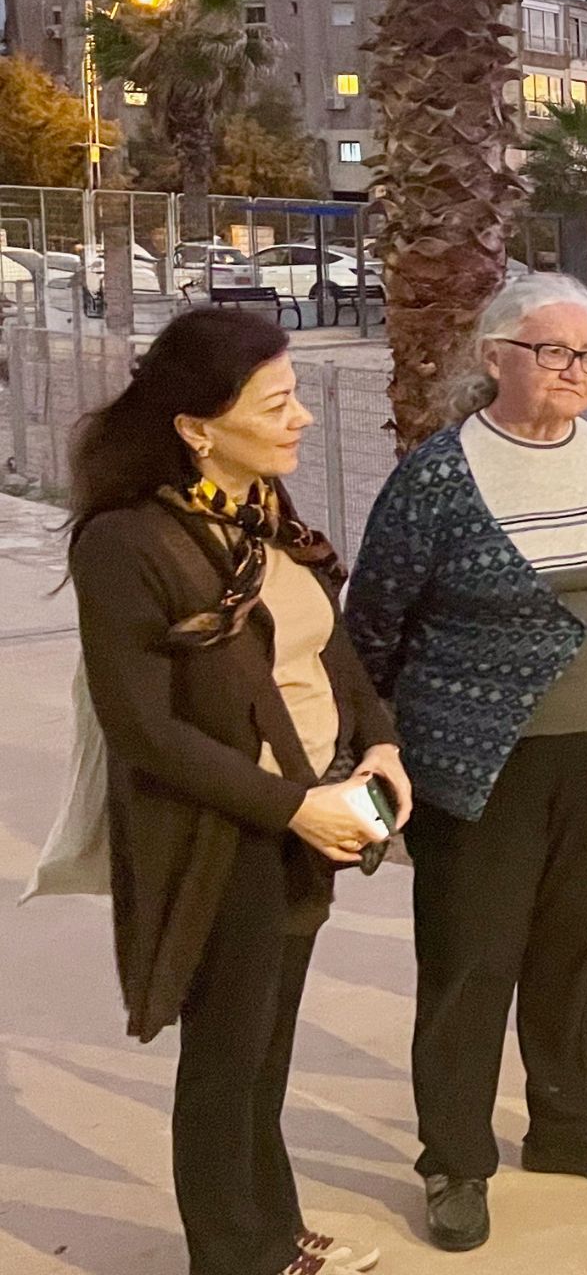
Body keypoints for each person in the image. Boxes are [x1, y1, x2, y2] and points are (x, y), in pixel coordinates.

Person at [67, 308, 410, 1275]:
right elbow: (143, 730)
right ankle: (235, 1254)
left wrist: (379, 747)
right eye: (278, 402)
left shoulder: (264, 517)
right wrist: (293, 807)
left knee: (265, 1052)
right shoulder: (128, 544)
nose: (301, 417)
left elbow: (331, 654)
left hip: (305, 818)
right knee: (225, 1060)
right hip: (224, 833)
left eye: (296, 395)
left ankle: (272, 1226)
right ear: (196, 427)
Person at [345, 275, 587, 1254]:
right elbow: (373, 625)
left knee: (578, 952)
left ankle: (569, 1123)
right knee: (469, 964)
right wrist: (385, 750)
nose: (577, 371)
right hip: (477, 766)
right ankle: (454, 1161)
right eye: (554, 351)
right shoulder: (439, 475)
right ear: (495, 359)